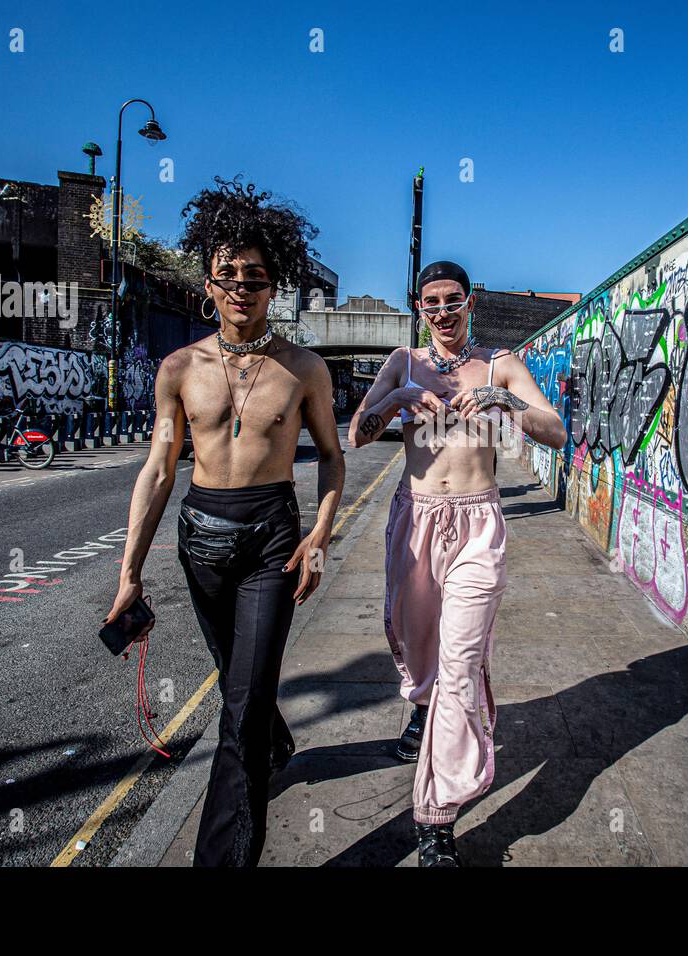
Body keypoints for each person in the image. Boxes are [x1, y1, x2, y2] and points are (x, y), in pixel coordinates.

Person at [106, 178, 345, 867]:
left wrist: (320, 537)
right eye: (228, 275)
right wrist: (129, 575)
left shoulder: (304, 370)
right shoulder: (179, 369)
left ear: (277, 286)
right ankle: (276, 739)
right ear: (208, 283)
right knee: (236, 677)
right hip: (201, 538)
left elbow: (332, 459)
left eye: (257, 278)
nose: (242, 288)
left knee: (237, 711)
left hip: (273, 534)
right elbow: (157, 470)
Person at [348, 260, 566, 866]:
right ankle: (423, 707)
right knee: (420, 655)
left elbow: (554, 430)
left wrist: (497, 397)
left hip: (477, 526)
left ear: (471, 302)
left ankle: (436, 817)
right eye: (430, 303)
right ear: (419, 309)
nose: (442, 312)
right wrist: (399, 397)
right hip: (415, 523)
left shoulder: (500, 364)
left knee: (462, 663)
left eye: (452, 300)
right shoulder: (404, 361)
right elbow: (358, 436)